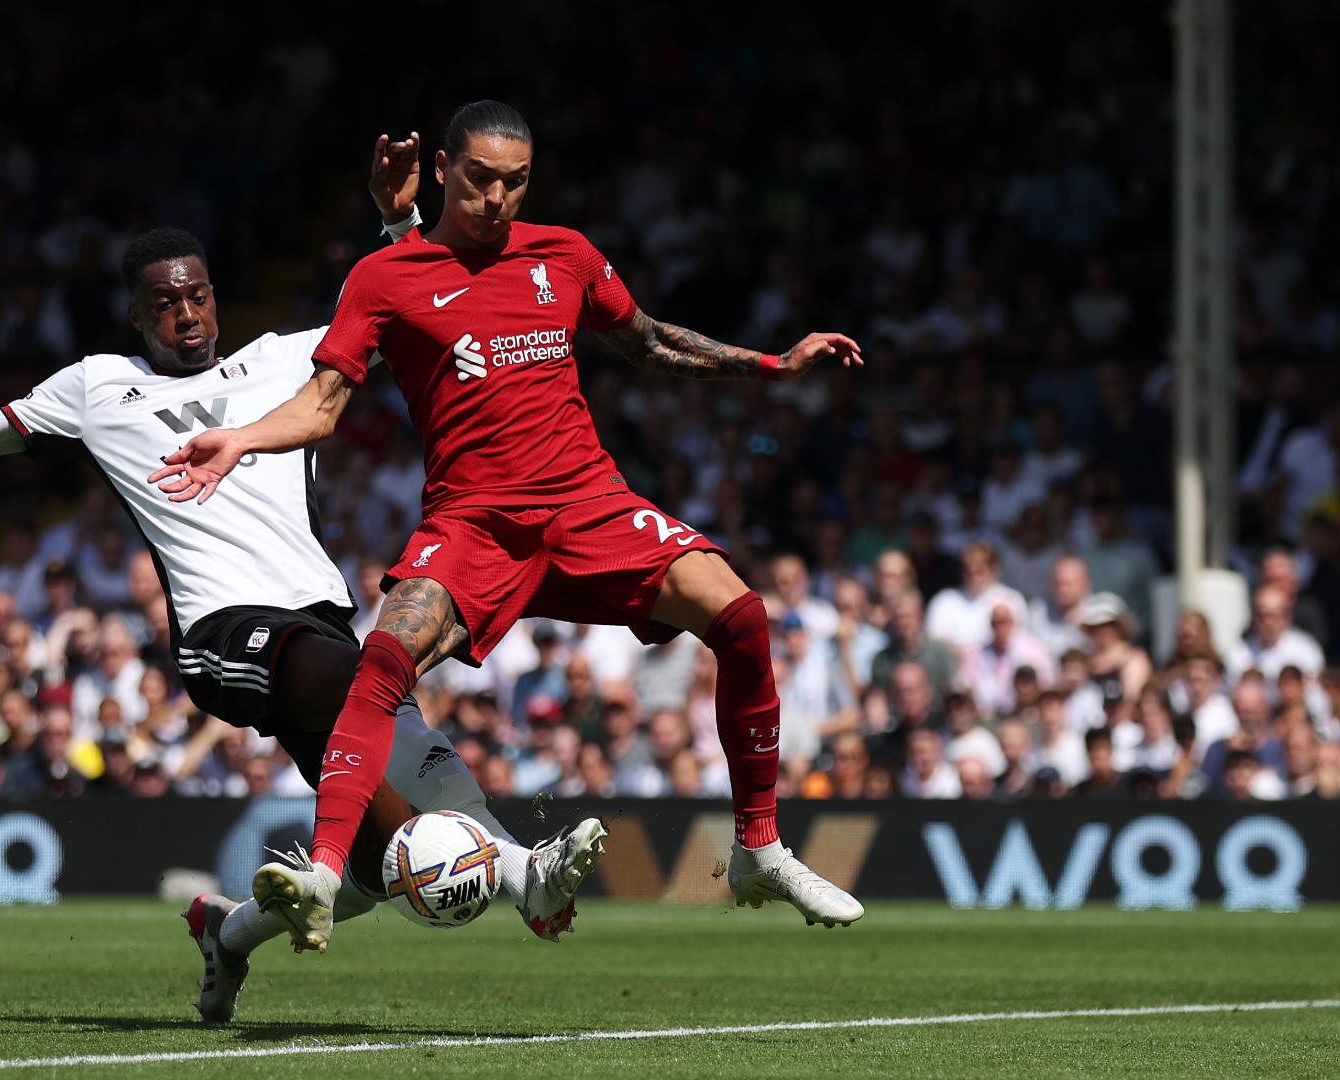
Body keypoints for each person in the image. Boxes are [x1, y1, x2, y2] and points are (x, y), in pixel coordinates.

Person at [0, 159, 606, 1022]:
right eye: (164, 302)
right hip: (225, 635)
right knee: (371, 682)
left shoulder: (285, 361)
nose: (186, 315)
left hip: (319, 625)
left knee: (384, 868)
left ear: (216, 299)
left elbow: (411, 302)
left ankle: (228, 932)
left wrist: (399, 226)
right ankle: (523, 871)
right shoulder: (96, 388)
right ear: (136, 314)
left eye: (198, 296)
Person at [151, 105, 865, 946]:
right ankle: (324, 873)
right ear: (443, 170)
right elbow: (322, 405)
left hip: (588, 504)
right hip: (475, 523)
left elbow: (649, 342)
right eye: (480, 178)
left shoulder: (564, 254)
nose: (496, 197)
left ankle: (758, 849)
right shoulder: (385, 277)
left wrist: (776, 364)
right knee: (380, 663)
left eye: (515, 182)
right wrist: (241, 438)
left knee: (741, 615)